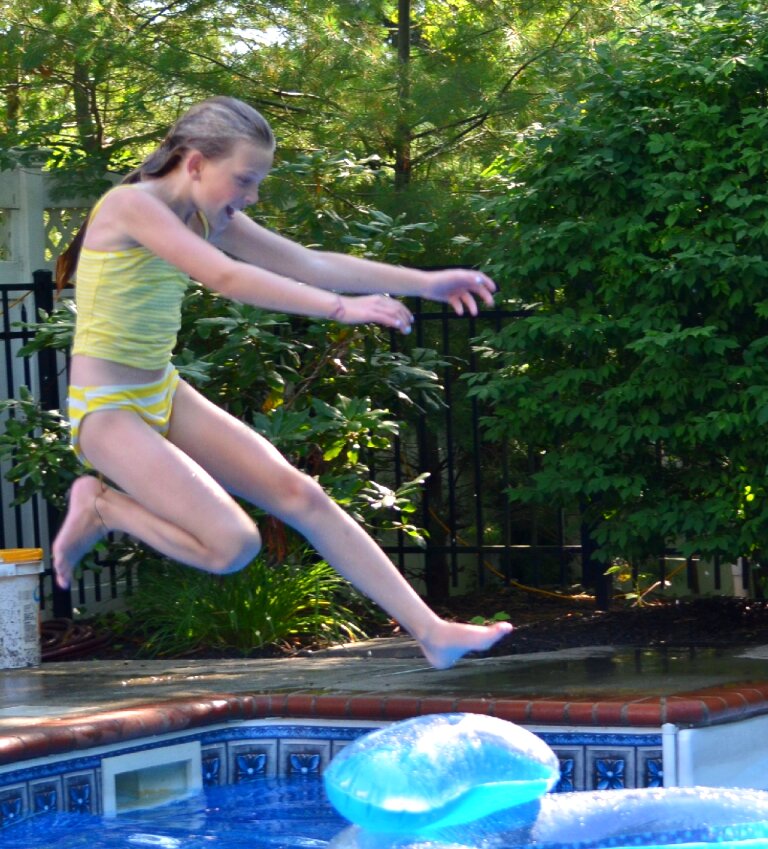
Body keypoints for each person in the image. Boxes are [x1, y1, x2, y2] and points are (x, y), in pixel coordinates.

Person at [51, 95, 512, 670]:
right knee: (233, 546)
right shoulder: (131, 205)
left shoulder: (205, 213)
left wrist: (425, 282)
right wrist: (340, 310)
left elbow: (306, 261)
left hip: (161, 390)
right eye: (243, 180)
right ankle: (102, 508)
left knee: (302, 496)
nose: (250, 197)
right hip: (106, 409)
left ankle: (431, 630)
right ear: (194, 163)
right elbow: (222, 276)